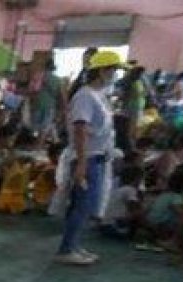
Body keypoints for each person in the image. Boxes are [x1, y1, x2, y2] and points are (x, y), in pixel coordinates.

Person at [58, 50, 125, 266]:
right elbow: (80, 130)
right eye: (114, 70)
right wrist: (81, 164)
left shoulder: (99, 95)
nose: (116, 74)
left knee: (85, 205)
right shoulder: (85, 96)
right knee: (82, 204)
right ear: (102, 71)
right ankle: (67, 248)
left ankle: (74, 244)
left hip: (97, 157)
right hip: (87, 157)